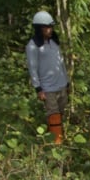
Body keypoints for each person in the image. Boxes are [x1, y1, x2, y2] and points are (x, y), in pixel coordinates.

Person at [25, 10, 69, 144]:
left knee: (61, 114)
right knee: (53, 116)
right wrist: (38, 88)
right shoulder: (33, 46)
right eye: (46, 27)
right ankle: (56, 145)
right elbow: (32, 68)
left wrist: (67, 82)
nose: (49, 30)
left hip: (61, 85)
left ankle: (62, 139)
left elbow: (60, 63)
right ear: (39, 28)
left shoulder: (54, 43)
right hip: (48, 88)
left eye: (51, 27)